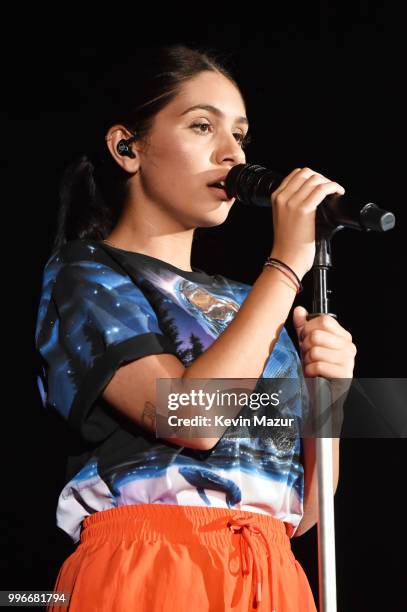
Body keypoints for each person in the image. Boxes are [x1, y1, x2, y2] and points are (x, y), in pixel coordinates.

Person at [35, 44, 356, 611]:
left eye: (241, 135)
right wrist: (285, 267)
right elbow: (193, 419)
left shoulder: (248, 304)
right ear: (126, 148)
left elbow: (308, 514)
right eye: (203, 126)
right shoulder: (87, 272)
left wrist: (330, 394)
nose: (233, 154)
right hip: (154, 563)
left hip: (271, 570)